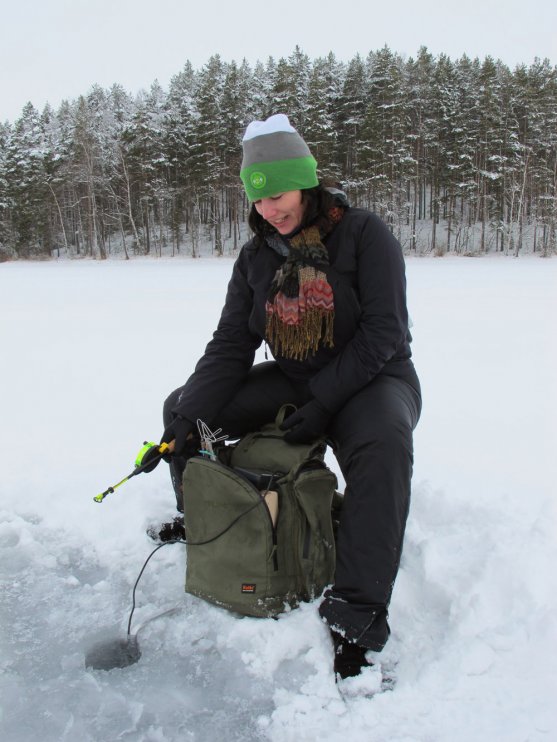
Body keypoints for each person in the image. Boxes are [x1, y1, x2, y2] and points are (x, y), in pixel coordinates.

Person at [158, 113, 421, 680]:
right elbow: (232, 344)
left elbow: (385, 333)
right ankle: (207, 515)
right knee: (184, 408)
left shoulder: (364, 234)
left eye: (277, 194)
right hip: (297, 379)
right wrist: (187, 419)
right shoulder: (256, 259)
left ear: (305, 181)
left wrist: (325, 403)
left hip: (377, 378)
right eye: (257, 200)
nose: (269, 209)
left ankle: (356, 614)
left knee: (383, 448)